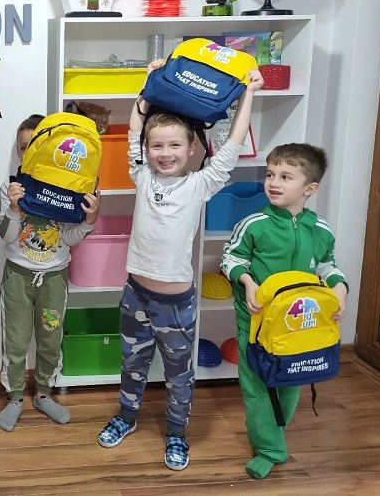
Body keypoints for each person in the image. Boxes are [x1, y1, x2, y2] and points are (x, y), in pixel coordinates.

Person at [97, 60, 263, 471]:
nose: (165, 153)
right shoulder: (141, 175)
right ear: (147, 150)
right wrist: (150, 83)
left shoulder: (200, 183)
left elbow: (233, 143)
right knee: (132, 364)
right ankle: (126, 417)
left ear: (192, 149)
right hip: (135, 295)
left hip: (176, 304)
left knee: (178, 374)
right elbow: (136, 125)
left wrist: (248, 94)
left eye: (175, 145)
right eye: (157, 146)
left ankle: (175, 433)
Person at [221, 143, 348, 480]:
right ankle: (270, 449)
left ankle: (273, 438)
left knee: (291, 381)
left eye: (285, 176)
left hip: (299, 325)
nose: (273, 182)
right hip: (255, 321)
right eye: (270, 174)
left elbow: (327, 265)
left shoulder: (320, 229)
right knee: (257, 385)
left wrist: (340, 290)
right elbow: (231, 258)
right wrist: (248, 283)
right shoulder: (254, 224)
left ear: (310, 188)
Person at [0, 114, 100, 431]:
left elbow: (70, 238)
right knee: (15, 342)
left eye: (34, 147)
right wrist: (14, 208)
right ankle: (15, 397)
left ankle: (43, 394)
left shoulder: (66, 192)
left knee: (50, 340)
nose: (27, 152)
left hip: (53, 278)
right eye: (23, 147)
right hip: (17, 277)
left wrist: (89, 220)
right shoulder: (11, 188)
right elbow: (6, 236)